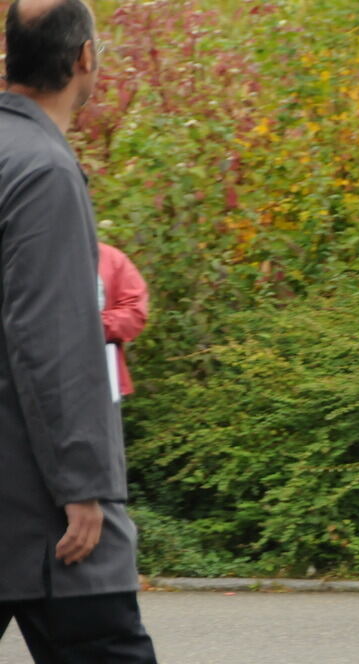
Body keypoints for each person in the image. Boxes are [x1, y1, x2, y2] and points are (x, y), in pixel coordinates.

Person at [0, 1, 157, 661]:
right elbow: (54, 343)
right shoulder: (44, 170)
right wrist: (83, 486)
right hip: (36, 509)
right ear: (85, 58)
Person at [99, 241, 150, 398]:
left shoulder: (109, 258)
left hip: (102, 374)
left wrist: (92, 325)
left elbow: (135, 313)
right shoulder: (35, 256)